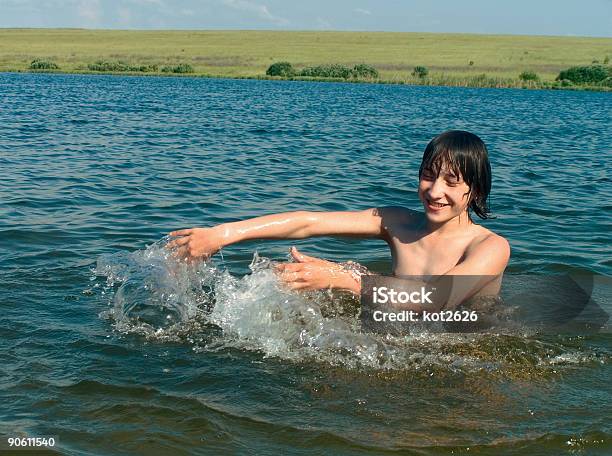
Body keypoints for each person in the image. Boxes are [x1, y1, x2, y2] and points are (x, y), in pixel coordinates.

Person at [168, 130, 510, 312]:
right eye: (428, 176)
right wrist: (222, 234)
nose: (435, 191)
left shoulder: (490, 247)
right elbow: (308, 223)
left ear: (476, 191)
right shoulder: (397, 223)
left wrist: (343, 279)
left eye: (452, 182)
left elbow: (438, 298)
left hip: (464, 344)